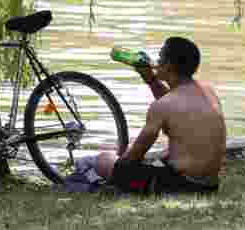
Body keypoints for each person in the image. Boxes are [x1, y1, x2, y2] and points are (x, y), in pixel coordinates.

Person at [95, 36, 226, 195]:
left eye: (159, 57)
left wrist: (114, 164)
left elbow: (132, 158)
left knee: (104, 160)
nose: (156, 62)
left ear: (168, 66)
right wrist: (150, 79)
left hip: (180, 187)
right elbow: (175, 103)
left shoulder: (162, 106)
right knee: (163, 155)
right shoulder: (208, 92)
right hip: (210, 187)